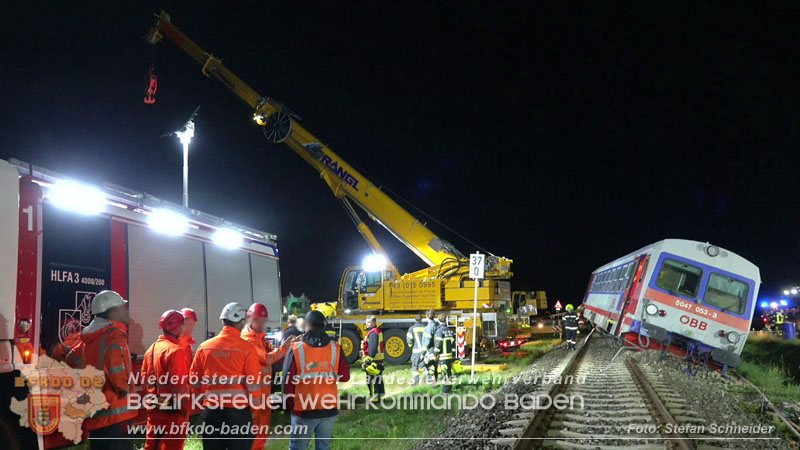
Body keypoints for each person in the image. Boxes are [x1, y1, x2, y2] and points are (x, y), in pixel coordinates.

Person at [66, 290, 137, 450]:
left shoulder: (89, 338)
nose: (124, 311)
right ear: (112, 311)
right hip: (116, 413)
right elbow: (114, 362)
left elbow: (70, 360)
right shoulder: (115, 334)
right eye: (121, 307)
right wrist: (123, 388)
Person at [190, 302, 262, 450]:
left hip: (211, 412)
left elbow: (194, 380)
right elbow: (253, 383)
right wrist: (254, 410)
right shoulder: (247, 348)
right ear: (241, 322)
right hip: (239, 413)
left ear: (223, 321)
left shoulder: (205, 347)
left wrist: (200, 403)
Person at [282, 311, 350, 450]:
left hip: (303, 409)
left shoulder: (296, 349)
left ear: (307, 326)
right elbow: (345, 375)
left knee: (297, 447)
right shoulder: (335, 347)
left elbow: (287, 382)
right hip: (328, 408)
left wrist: (289, 404)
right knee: (323, 447)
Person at [241, 303, 298, 450]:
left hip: (264, 395)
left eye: (263, 320)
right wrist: (284, 348)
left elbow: (273, 353)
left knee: (262, 433)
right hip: (253, 396)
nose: (261, 323)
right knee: (254, 434)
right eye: (257, 320)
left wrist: (289, 346)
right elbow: (267, 359)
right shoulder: (248, 340)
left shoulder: (260, 339)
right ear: (249, 319)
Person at [140, 310, 190, 450]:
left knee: (152, 444)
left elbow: (144, 380)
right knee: (172, 446)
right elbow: (179, 385)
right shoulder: (175, 350)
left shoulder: (151, 349)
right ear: (176, 327)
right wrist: (183, 409)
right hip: (172, 410)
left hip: (155, 405)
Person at [360, 315, 385, 402]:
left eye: (369, 322)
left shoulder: (373, 333)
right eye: (366, 322)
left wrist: (369, 359)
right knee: (378, 380)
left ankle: (374, 399)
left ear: (374, 323)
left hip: (373, 360)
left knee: (372, 380)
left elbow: (373, 347)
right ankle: (381, 397)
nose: (367, 324)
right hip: (378, 359)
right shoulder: (377, 331)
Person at [433, 314, 456, 393]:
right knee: (448, 372)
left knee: (445, 373)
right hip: (449, 355)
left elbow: (438, 343)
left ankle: (446, 391)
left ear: (438, 320)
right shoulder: (450, 330)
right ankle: (449, 388)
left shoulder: (439, 331)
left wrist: (435, 354)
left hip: (443, 356)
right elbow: (453, 344)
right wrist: (453, 354)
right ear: (446, 320)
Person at [406, 314, 427, 385]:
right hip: (424, 352)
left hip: (416, 352)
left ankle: (415, 382)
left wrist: (411, 346)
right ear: (421, 319)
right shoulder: (425, 327)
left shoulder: (412, 328)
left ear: (415, 319)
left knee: (415, 367)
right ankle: (428, 380)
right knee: (425, 366)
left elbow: (409, 340)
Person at [421, 310, 438, 383]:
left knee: (424, 365)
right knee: (434, 367)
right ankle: (435, 382)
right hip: (435, 350)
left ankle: (430, 382)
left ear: (426, 316)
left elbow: (427, 341)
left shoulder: (429, 327)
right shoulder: (436, 325)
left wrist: (422, 353)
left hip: (430, 351)